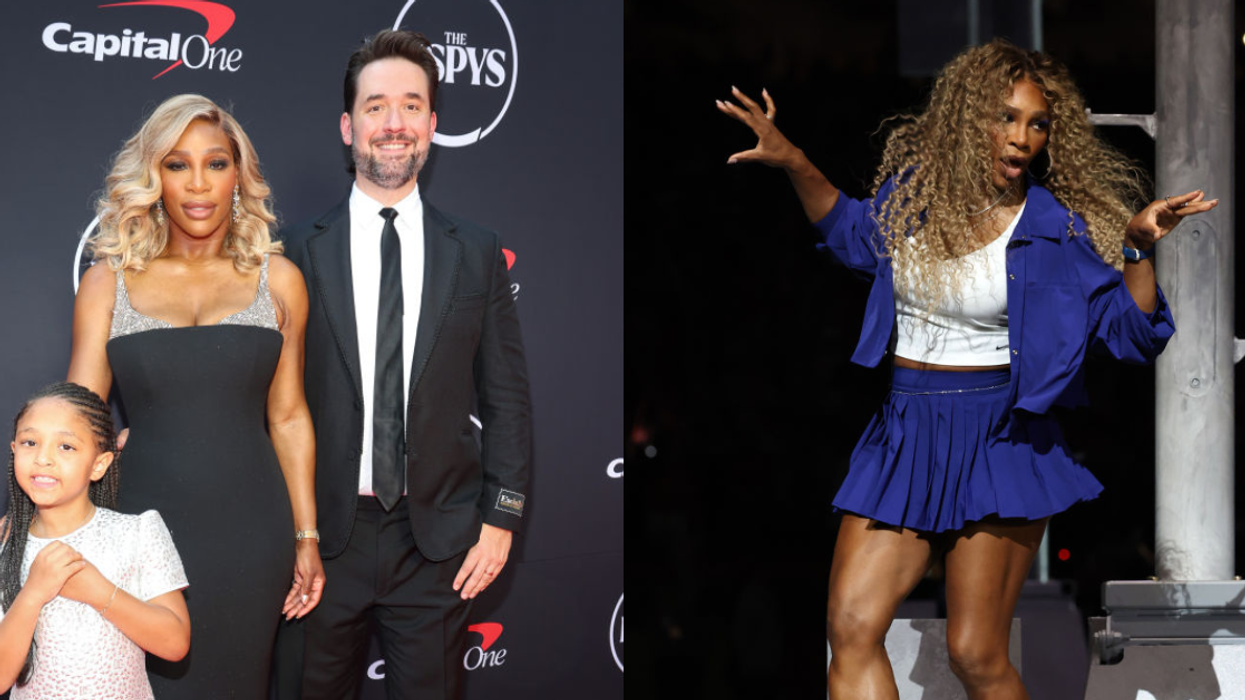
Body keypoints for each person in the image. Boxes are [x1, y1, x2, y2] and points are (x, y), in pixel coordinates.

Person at [718, 39, 1211, 699]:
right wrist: (794, 161)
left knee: (974, 653)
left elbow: (1129, 335)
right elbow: (852, 236)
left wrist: (1134, 246)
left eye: (1036, 124)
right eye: (1005, 118)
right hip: (904, 429)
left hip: (1000, 438)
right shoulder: (915, 195)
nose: (1021, 138)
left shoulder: (1051, 228)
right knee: (850, 626)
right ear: (965, 116)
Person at [278, 29, 531, 700]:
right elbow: (260, 394)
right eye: (376, 106)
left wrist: (501, 519)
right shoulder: (291, 252)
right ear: (347, 125)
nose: (394, 123)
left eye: (411, 106)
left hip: (439, 544)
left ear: (433, 124)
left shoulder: (476, 250)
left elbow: (505, 396)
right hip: (318, 540)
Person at [66, 94, 326, 698]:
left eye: (216, 163)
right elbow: (76, 417)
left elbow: (288, 417)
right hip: (140, 528)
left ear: (239, 175)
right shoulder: (108, 281)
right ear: (153, 177)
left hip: (252, 534)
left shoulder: (278, 280)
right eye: (177, 165)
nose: (198, 183)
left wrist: (306, 536)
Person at [0, 381, 190, 699]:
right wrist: (33, 593)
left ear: (99, 464)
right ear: (14, 450)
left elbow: (175, 643)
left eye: (66, 447)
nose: (43, 458)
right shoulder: (5, 545)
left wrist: (99, 592)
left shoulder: (137, 532)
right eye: (30, 442)